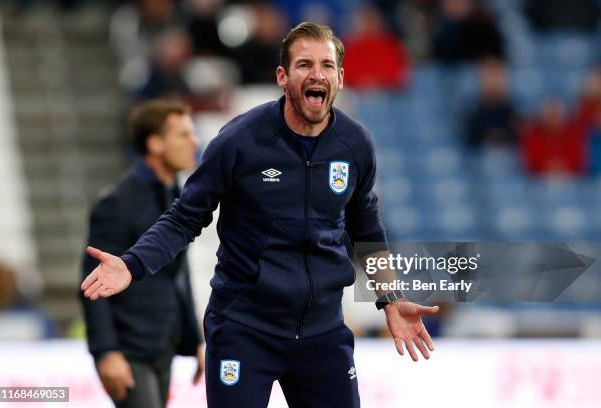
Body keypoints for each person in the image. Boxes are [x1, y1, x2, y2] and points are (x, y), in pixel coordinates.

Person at [81, 22, 438, 407]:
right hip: (244, 328)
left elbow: (366, 226)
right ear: (283, 77)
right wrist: (132, 265)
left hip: (322, 331)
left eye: (326, 65)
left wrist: (391, 297)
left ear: (340, 76)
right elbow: (185, 217)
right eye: (304, 65)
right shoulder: (240, 141)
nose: (316, 74)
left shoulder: (355, 144)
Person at [79, 99, 204, 408]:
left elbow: (179, 276)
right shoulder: (118, 201)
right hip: (129, 352)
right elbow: (91, 281)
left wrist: (195, 340)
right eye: (183, 134)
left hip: (162, 345)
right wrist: (106, 352)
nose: (195, 141)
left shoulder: (178, 194)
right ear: (155, 143)